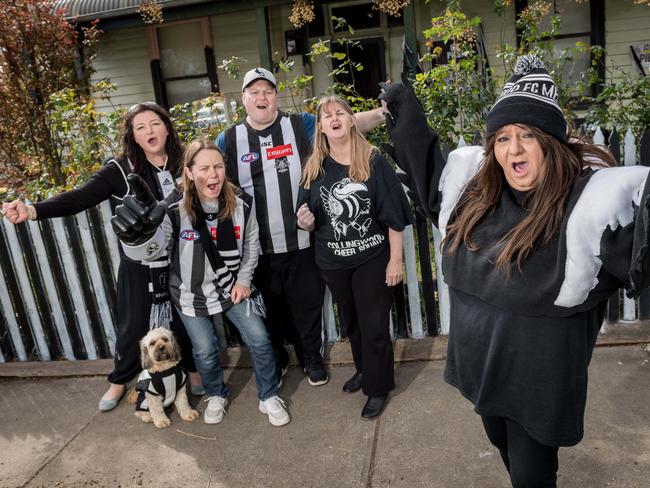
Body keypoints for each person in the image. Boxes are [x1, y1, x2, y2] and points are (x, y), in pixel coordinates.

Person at [381, 55, 650, 487]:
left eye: (527, 135)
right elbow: (427, 173)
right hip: (483, 367)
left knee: (531, 475)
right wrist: (402, 108)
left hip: (538, 385)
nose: (514, 149)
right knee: (502, 447)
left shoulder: (589, 206)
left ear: (551, 141)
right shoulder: (478, 196)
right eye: (503, 138)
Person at [2, 102, 202, 411]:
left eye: (155, 124)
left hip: (181, 259)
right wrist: (32, 210)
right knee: (133, 326)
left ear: (167, 127)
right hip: (140, 265)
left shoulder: (185, 162)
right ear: (133, 137)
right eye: (141, 127)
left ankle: (189, 371)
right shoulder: (121, 169)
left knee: (184, 319)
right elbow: (79, 197)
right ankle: (119, 381)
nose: (150, 131)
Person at [216, 67, 387, 386]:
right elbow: (206, 171)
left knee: (308, 306)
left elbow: (343, 126)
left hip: (303, 241)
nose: (261, 97)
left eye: (267, 91)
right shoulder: (229, 139)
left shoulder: (300, 125)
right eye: (254, 92)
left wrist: (383, 112)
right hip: (258, 249)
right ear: (244, 100)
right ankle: (279, 360)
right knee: (272, 311)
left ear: (275, 96)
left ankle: (312, 359)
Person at [112, 138, 289, 427]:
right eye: (204, 167)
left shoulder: (241, 203)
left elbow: (252, 244)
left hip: (233, 286)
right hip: (189, 293)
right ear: (190, 172)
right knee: (205, 349)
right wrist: (138, 238)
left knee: (259, 338)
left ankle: (268, 395)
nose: (214, 174)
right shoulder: (173, 210)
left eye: (218, 166)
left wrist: (244, 280)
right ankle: (216, 393)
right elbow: (154, 248)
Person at [295, 95, 412, 419]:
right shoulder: (314, 167)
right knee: (352, 323)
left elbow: (394, 215)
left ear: (350, 120)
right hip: (333, 262)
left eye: (340, 113)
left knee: (373, 325)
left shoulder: (372, 160)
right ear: (320, 127)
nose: (334, 118)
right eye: (327, 115)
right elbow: (307, 213)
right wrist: (303, 220)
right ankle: (364, 371)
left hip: (371, 258)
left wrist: (395, 260)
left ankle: (378, 387)